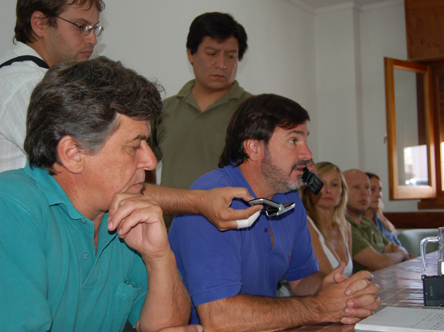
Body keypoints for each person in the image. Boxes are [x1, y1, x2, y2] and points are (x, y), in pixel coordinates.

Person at [0, 57, 262, 332]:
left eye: (148, 144)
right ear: (73, 153)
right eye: (134, 145)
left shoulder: (123, 213)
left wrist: (159, 257)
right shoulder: (12, 206)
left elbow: (168, 325)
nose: (150, 161)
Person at [169, 94, 380, 331]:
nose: (307, 154)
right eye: (293, 141)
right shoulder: (210, 200)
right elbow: (219, 317)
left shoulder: (289, 198)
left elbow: (301, 279)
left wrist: (331, 287)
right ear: (254, 148)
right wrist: (319, 307)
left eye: (305, 140)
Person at [148, 12, 252, 194]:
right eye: (211, 53)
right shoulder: (164, 110)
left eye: (230, 56)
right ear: (191, 53)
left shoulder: (254, 110)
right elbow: (143, 164)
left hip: (233, 220)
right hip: (171, 221)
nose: (222, 64)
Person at [0, 0, 105, 173]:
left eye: (94, 28)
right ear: (40, 23)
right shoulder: (26, 85)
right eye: (81, 26)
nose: (92, 39)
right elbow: (80, 169)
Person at [343, 169, 409, 273]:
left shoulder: (367, 222)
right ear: (342, 192)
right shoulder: (343, 225)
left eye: (367, 187)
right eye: (356, 187)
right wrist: (401, 252)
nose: (364, 193)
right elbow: (382, 263)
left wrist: (392, 257)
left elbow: (391, 252)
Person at [301, 161, 353, 277]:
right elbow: (329, 278)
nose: (328, 190)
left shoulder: (346, 228)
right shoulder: (305, 224)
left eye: (334, 184)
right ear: (309, 191)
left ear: (342, 192)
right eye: (321, 184)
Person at [363, 172, 402, 246]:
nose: (378, 195)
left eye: (380, 190)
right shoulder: (355, 224)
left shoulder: (383, 221)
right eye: (372, 190)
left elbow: (400, 248)